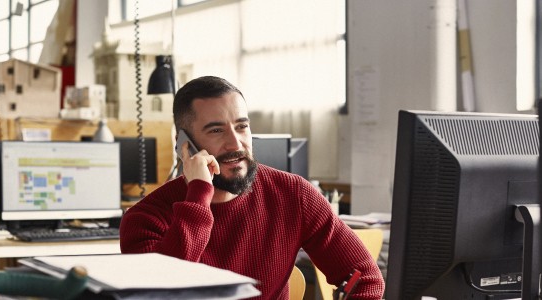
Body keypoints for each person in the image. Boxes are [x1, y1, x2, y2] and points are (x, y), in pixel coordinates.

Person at [120, 76, 384, 299]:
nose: (235, 144)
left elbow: (366, 279)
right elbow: (164, 293)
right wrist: (199, 193)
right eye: (216, 131)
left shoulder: (294, 194)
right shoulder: (144, 220)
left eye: (242, 127)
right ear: (184, 144)